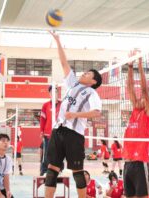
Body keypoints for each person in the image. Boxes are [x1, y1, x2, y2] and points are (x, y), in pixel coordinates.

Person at [45, 31, 102, 198]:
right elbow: (64, 62)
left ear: (93, 81)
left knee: (77, 172)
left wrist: (76, 114)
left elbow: (97, 113)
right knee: (51, 170)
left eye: (88, 74)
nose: (84, 73)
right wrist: (58, 41)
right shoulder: (72, 83)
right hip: (58, 130)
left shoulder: (92, 93)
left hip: (74, 134)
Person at [122, 51, 149, 198]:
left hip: (140, 163)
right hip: (127, 163)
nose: (139, 98)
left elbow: (144, 89)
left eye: (143, 97)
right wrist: (130, 66)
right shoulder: (136, 110)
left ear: (148, 100)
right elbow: (130, 88)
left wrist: (140, 64)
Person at [40, 85, 62, 176]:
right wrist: (41, 131)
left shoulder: (62, 104)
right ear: (49, 93)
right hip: (48, 133)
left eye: (55, 91)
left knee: (59, 153)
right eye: (52, 92)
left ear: (58, 93)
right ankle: (45, 171)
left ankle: (59, 170)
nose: (54, 94)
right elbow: (42, 119)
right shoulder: (45, 105)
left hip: (60, 134)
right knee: (47, 153)